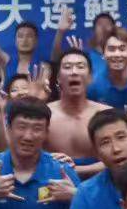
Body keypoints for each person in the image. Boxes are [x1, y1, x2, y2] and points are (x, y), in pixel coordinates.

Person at [46, 48, 110, 176]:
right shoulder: (44, 114)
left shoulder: (106, 114)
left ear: (90, 77)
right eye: (67, 67)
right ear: (58, 78)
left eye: (80, 67)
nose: (74, 72)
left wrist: (76, 171)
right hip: (51, 183)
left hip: (99, 183)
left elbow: (118, 159)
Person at [89, 26, 127, 109]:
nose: (117, 54)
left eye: (122, 49)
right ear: (103, 54)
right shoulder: (93, 85)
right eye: (111, 49)